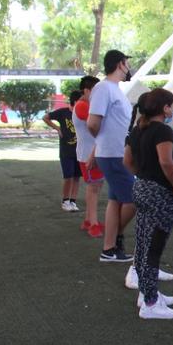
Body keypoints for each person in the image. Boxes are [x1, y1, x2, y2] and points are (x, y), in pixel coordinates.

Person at [124, 88, 173, 319]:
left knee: (143, 242)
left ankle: (146, 292)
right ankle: (150, 303)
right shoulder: (161, 131)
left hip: (141, 188)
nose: (172, 109)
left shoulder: (139, 130)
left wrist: (143, 175)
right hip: (159, 193)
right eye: (171, 105)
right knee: (153, 246)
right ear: (165, 108)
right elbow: (166, 162)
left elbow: (127, 161)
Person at [87, 49, 136, 262]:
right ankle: (114, 238)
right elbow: (93, 122)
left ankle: (110, 249)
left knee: (116, 200)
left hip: (116, 153)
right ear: (120, 64)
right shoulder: (103, 88)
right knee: (134, 200)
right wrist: (101, 147)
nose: (128, 68)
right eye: (126, 63)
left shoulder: (114, 89)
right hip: (114, 154)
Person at [73, 75, 104, 237]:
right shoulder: (83, 106)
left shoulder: (84, 105)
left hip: (91, 153)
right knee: (94, 188)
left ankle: (88, 221)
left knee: (95, 188)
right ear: (87, 90)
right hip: (88, 155)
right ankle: (93, 223)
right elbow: (99, 123)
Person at [43, 90, 81, 212]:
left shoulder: (82, 114)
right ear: (76, 101)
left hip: (79, 150)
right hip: (66, 151)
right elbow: (46, 117)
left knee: (76, 177)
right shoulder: (63, 112)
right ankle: (65, 201)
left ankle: (73, 202)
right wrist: (57, 128)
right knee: (68, 176)